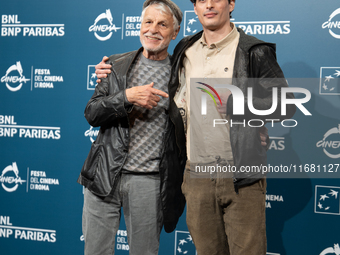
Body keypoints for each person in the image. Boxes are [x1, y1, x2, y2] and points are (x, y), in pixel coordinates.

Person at [94, 0, 291, 254]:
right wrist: (110, 72)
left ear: (231, 4)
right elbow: (161, 82)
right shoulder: (185, 52)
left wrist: (243, 109)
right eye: (200, 0)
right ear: (195, 9)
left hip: (240, 175)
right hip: (195, 176)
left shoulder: (254, 50)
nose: (209, 5)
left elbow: (286, 105)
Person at [77, 1, 186, 255]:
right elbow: (92, 113)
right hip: (104, 175)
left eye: (162, 24)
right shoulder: (115, 65)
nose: (153, 29)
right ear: (139, 26)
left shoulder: (181, 74)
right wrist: (126, 97)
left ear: (175, 32)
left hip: (149, 184)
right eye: (148, 22)